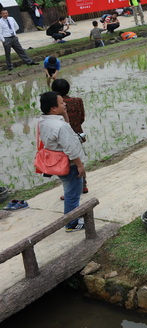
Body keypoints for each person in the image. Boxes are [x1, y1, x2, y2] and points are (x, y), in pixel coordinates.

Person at [38, 91, 87, 231]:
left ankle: (73, 218)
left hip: (57, 163)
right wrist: (80, 166)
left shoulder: (44, 121)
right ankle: (72, 224)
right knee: (73, 195)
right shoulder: (61, 127)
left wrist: (64, 114)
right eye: (61, 103)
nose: (64, 104)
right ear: (53, 108)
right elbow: (71, 149)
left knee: (69, 190)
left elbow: (65, 129)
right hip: (70, 165)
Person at [51, 78, 89, 194]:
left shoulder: (54, 107)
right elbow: (82, 118)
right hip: (78, 134)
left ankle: (71, 189)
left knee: (66, 164)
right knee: (79, 161)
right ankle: (83, 185)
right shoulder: (78, 101)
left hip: (62, 138)